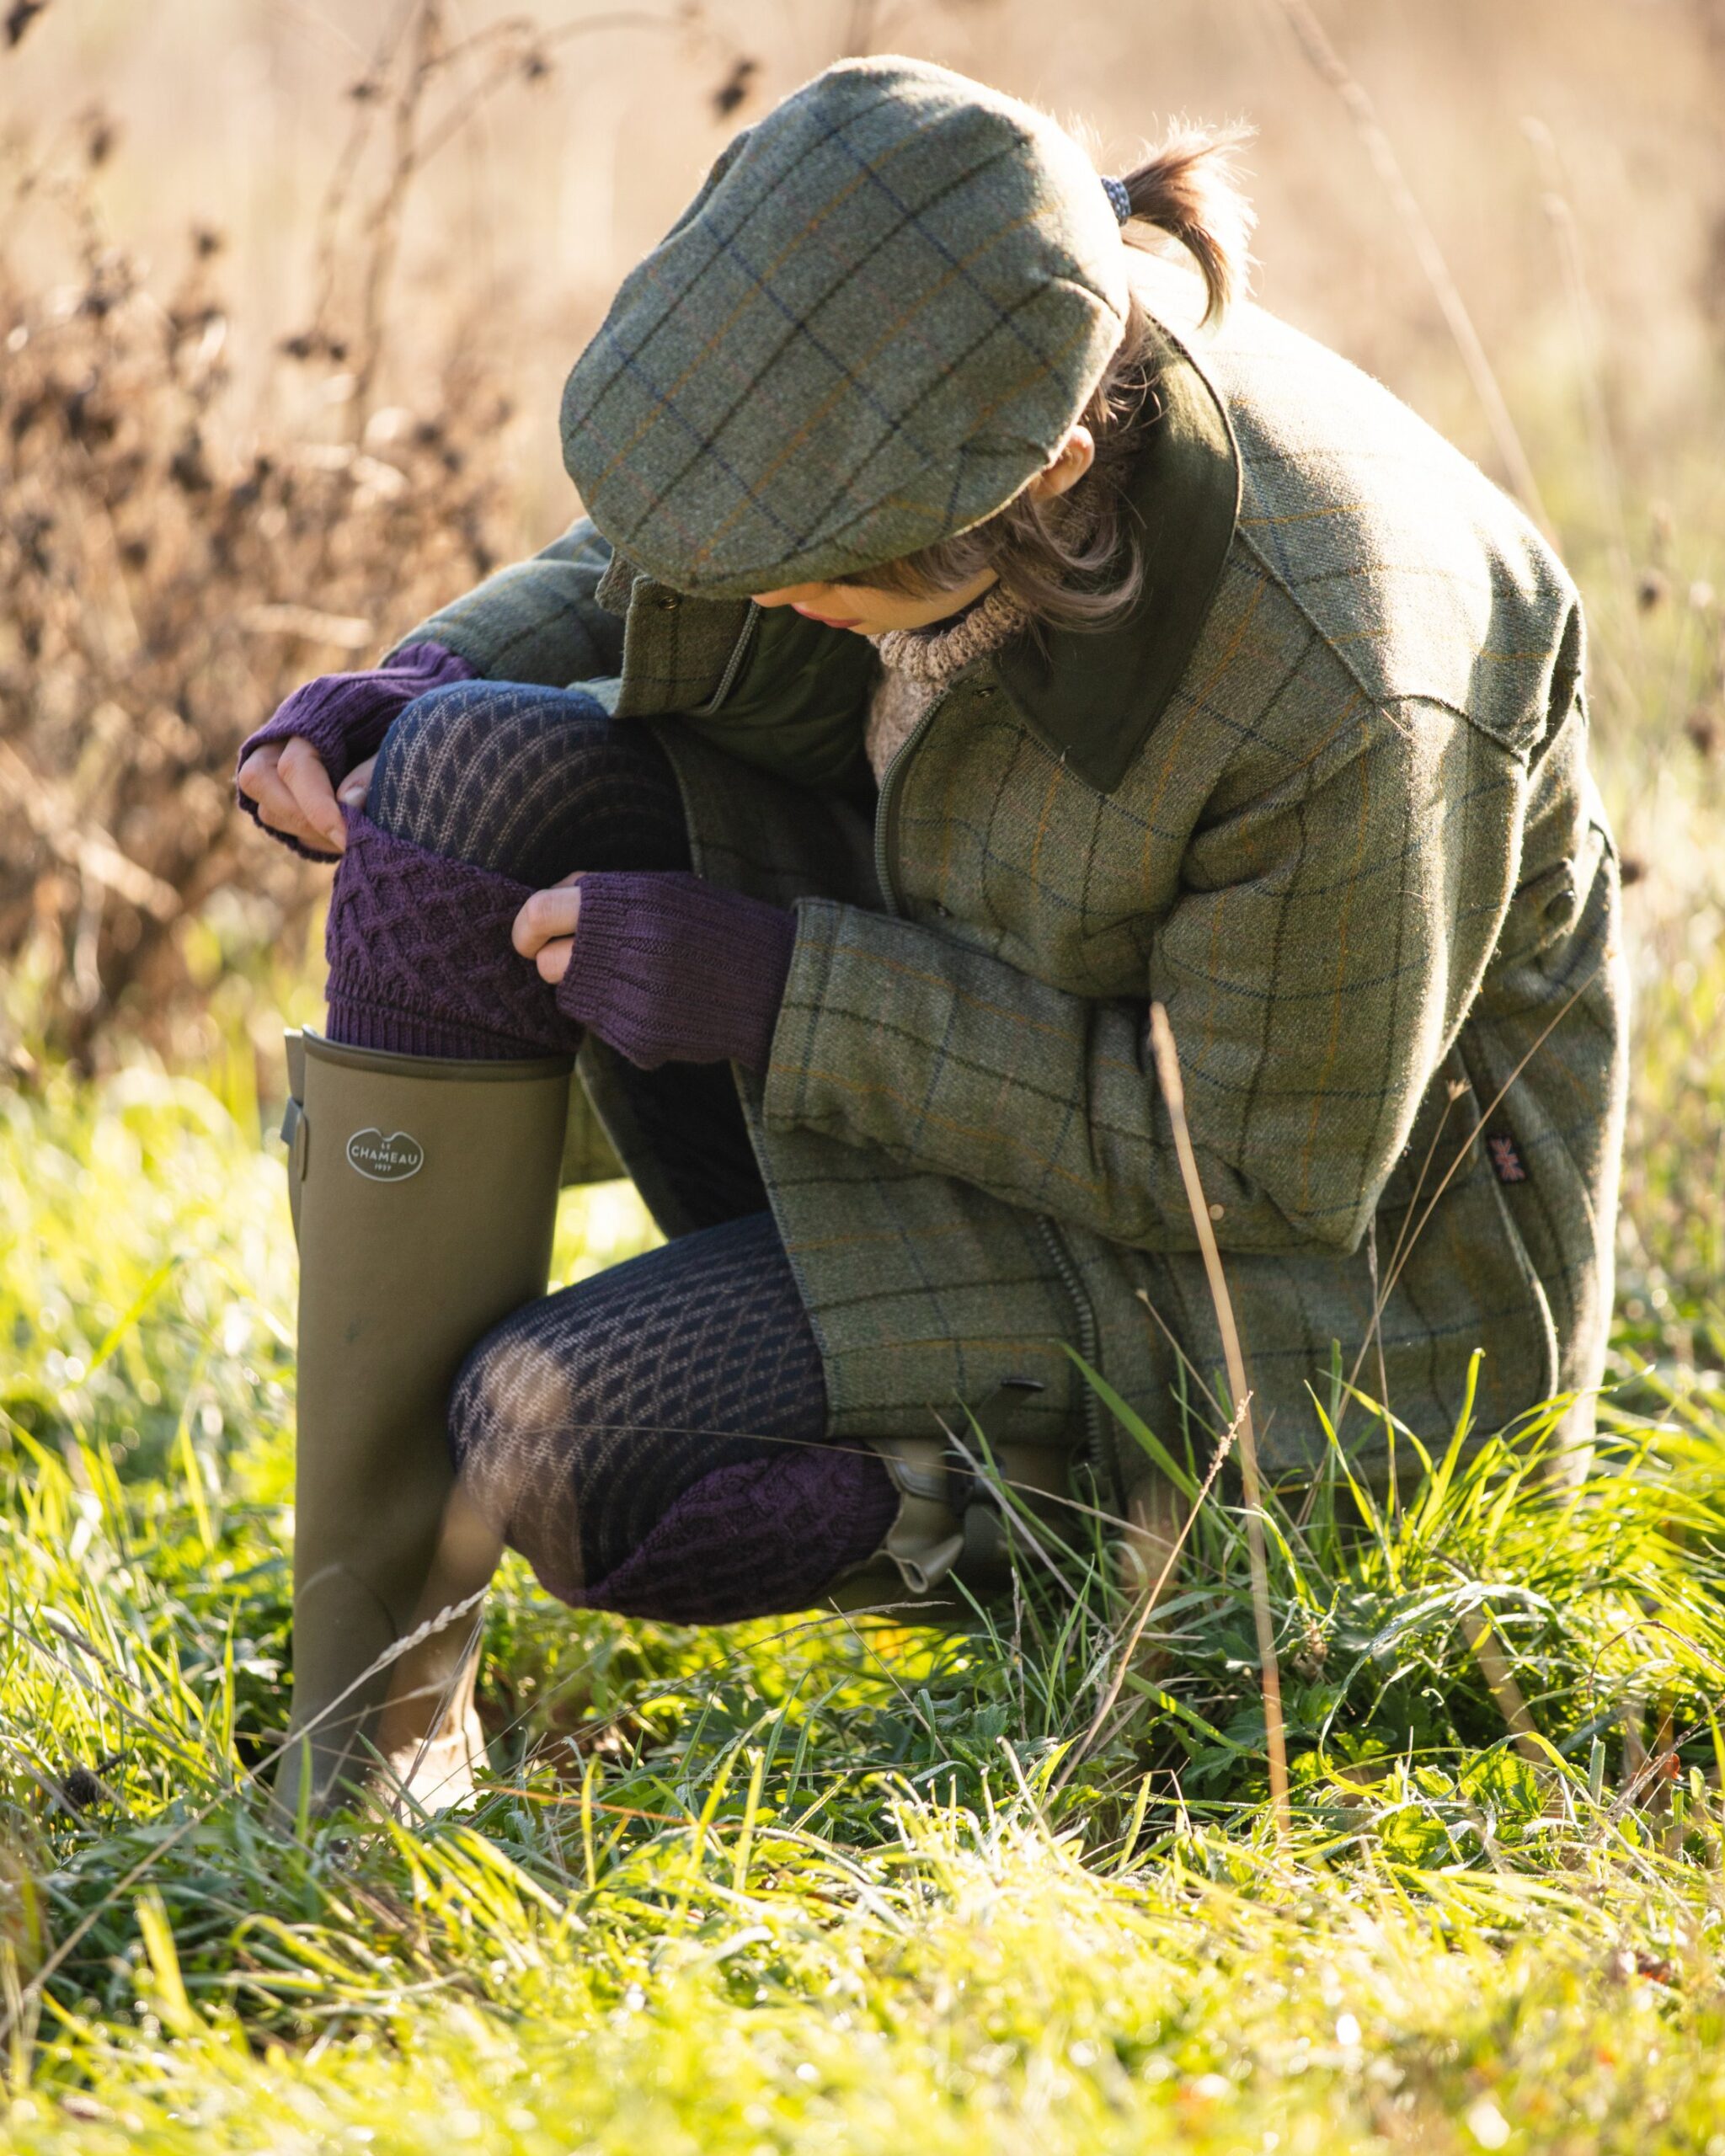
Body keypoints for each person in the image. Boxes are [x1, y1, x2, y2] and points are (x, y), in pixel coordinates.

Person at [237, 56, 1626, 1815]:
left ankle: (1030, 1534)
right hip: (959, 1041)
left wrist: (777, 990)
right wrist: (429, 664)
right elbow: (709, 520)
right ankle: (363, 1741)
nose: (747, 590)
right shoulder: (950, 335)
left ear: (1042, 478)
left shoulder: (1344, 666)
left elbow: (1268, 1164)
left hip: (1292, 1320)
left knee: (551, 1443)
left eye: (812, 566)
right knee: (463, 772)